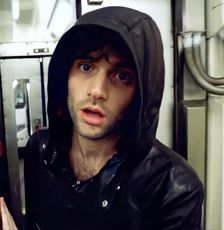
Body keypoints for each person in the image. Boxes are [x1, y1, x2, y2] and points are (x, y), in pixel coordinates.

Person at [24, 6, 204, 230]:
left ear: (140, 93)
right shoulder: (41, 150)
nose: (97, 91)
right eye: (86, 66)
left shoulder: (173, 187)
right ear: (65, 75)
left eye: (121, 76)